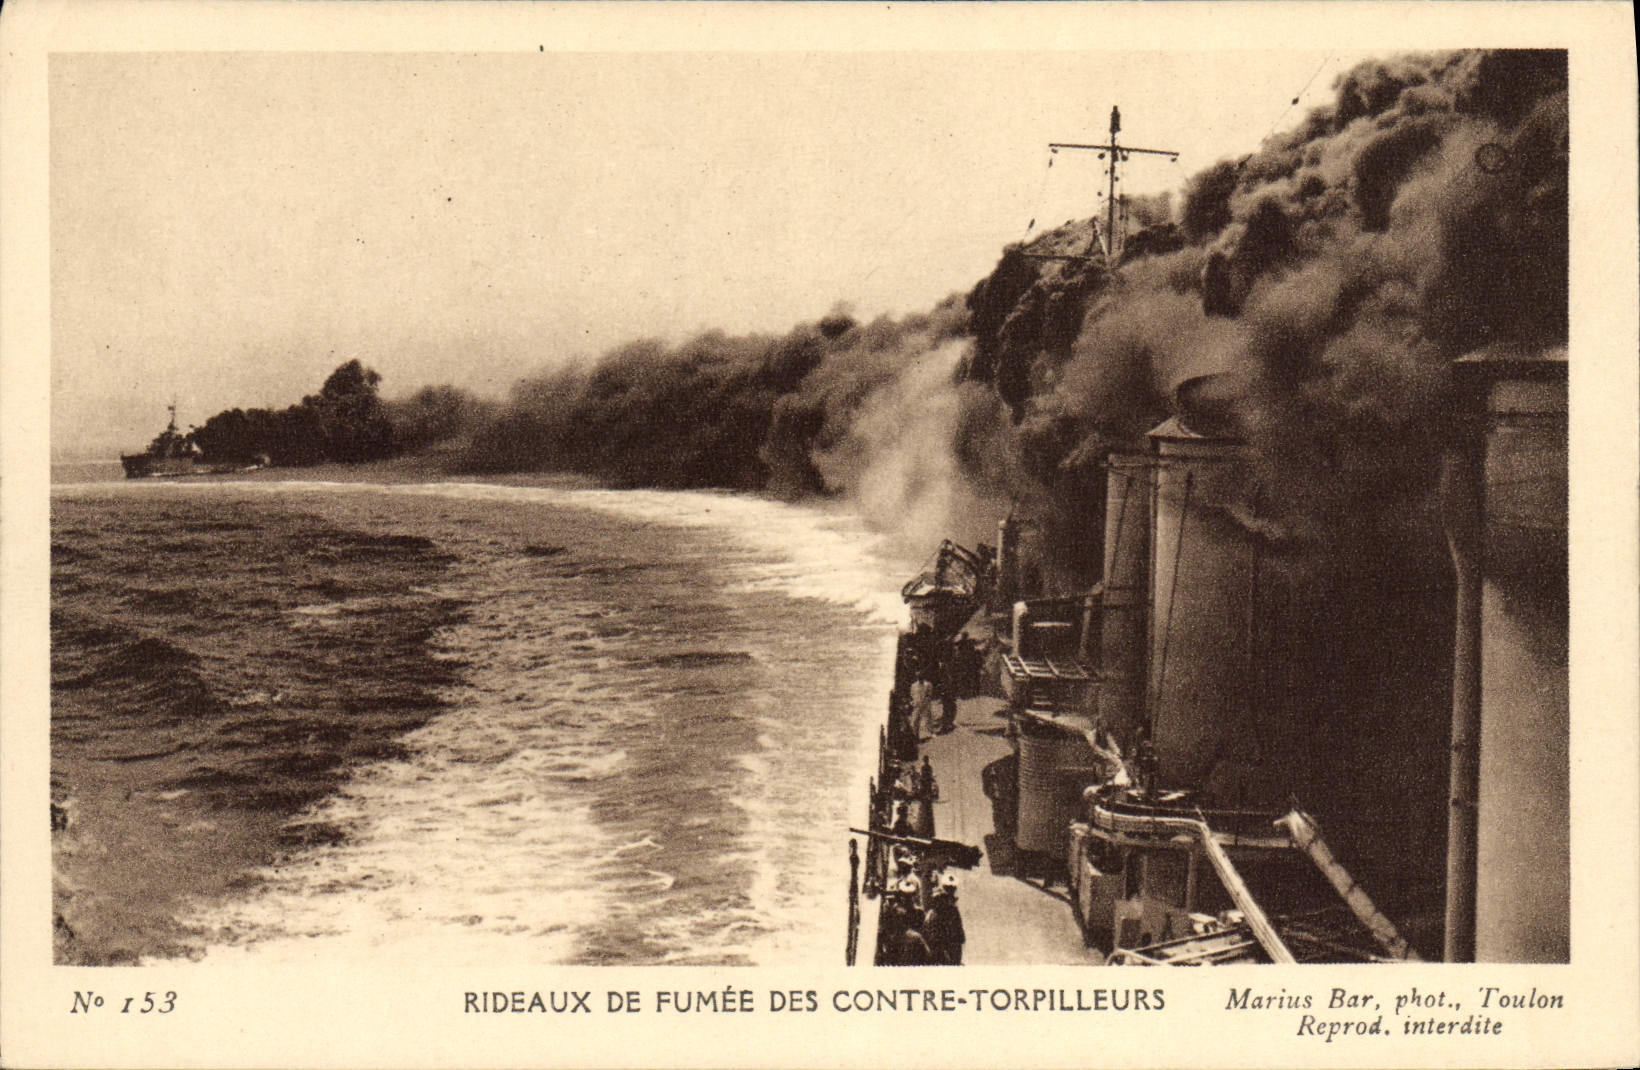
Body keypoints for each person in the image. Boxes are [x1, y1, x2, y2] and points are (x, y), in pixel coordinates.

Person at [923, 873, 966, 965]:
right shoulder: (947, 911)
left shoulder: (950, 910)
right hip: (943, 950)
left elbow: (959, 932)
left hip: (948, 949)